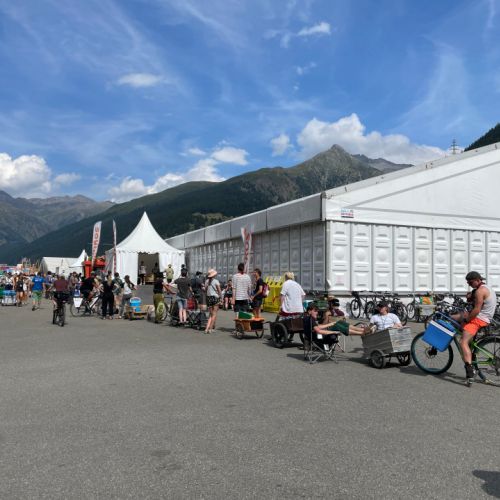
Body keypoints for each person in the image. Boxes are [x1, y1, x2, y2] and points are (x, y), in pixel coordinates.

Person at [460, 271, 497, 383]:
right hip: (487, 318)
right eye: (468, 283)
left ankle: (470, 373)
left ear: (477, 280)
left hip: (479, 319)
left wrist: (467, 319)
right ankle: (470, 351)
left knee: (463, 342)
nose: (469, 284)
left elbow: (476, 310)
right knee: (458, 317)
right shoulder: (486, 288)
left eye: (471, 282)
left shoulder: (480, 291)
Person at [204, 269, 222, 334]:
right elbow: (219, 291)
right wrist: (221, 298)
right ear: (214, 275)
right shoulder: (216, 281)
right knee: (214, 314)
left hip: (208, 298)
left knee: (210, 315)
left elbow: (205, 290)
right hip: (215, 298)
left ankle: (206, 329)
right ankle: (210, 329)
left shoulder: (206, 281)